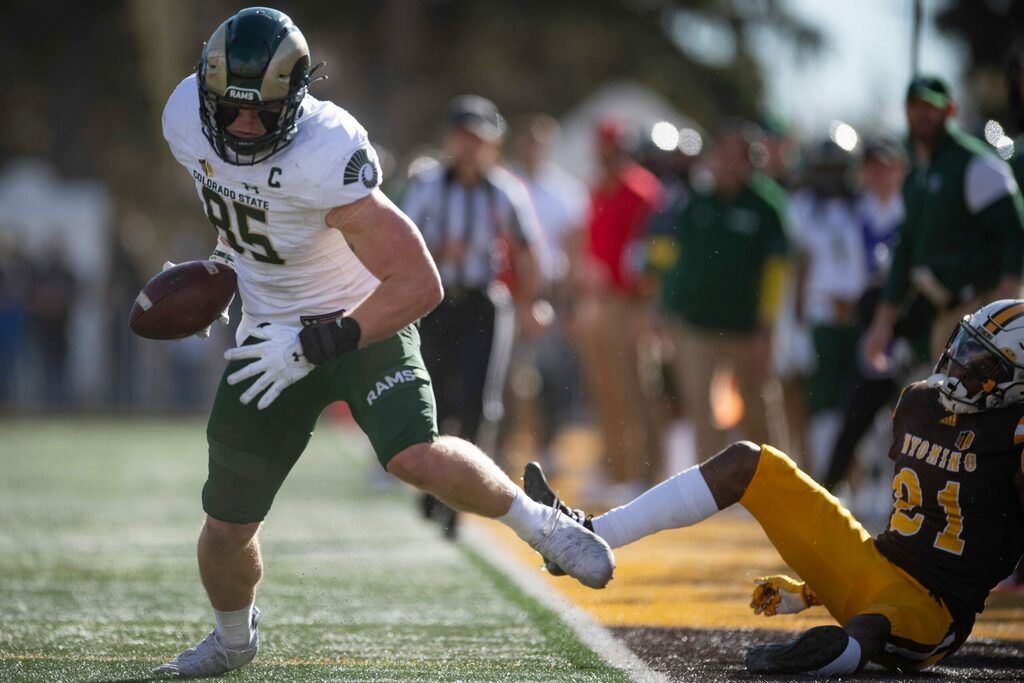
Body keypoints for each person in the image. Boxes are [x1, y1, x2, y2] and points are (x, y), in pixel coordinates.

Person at [153, 8, 612, 677]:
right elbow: (242, 212)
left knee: (413, 455)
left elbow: (419, 281)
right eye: (230, 111)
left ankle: (541, 525)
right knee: (226, 524)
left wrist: (318, 342)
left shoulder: (324, 147)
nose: (244, 125)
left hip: (359, 316)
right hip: (269, 332)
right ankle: (231, 639)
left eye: (262, 112)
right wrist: (223, 269)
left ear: (297, 98)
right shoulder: (185, 119)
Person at [524, 299, 1024, 676]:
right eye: (962, 350)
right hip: (875, 561)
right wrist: (813, 591)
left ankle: (824, 657)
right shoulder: (918, 402)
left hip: (936, 611)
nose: (959, 366)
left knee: (874, 628)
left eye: (981, 366)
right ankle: (588, 533)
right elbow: (906, 534)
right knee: (749, 461)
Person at [400, 96, 544, 537]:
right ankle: (433, 486)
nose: (469, 148)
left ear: (491, 145)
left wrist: (530, 301)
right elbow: (402, 242)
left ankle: (465, 497)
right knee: (435, 396)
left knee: (481, 400)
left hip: (484, 301)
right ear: (449, 140)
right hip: (436, 300)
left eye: (477, 140)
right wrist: (442, 252)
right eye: (462, 138)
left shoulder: (505, 190)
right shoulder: (427, 185)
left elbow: (527, 250)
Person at [864, 75, 1024, 369]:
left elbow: (1014, 236)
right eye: (915, 106)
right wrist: (881, 324)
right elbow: (906, 250)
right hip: (941, 315)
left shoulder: (975, 164)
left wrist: (1004, 315)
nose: (922, 114)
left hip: (979, 312)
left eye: (931, 107)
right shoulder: (916, 176)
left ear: (950, 110)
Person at [660, 120, 789, 460]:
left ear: (750, 161)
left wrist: (766, 327)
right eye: (722, 154)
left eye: (736, 156)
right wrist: (665, 310)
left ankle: (772, 485)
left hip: (745, 330)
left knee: (758, 408)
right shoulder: (698, 202)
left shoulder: (766, 205)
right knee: (701, 410)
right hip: (696, 325)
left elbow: (776, 271)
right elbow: (679, 261)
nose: (727, 163)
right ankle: (708, 490)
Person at [576, 119, 663, 492]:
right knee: (605, 387)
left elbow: (655, 254)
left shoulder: (642, 192)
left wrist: (648, 307)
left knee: (634, 389)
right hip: (600, 300)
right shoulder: (599, 191)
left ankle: (642, 472)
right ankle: (615, 468)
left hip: (631, 303)